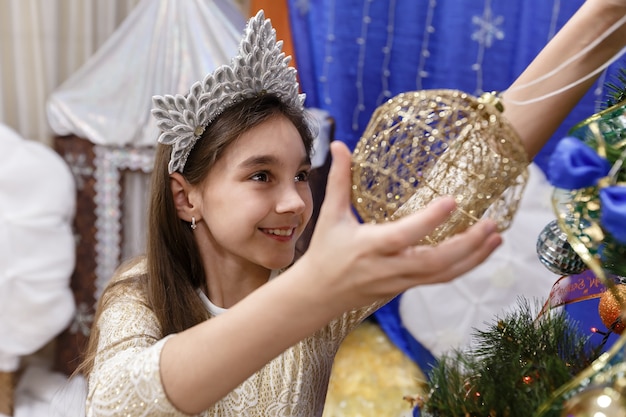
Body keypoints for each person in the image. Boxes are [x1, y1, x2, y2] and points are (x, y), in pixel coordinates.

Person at [81, 2, 626, 416]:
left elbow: (471, 174)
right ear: (186, 196)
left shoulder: (319, 286)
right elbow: (123, 398)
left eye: (300, 174)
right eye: (260, 176)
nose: (294, 201)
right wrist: (315, 288)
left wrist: (603, 19)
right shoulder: (141, 290)